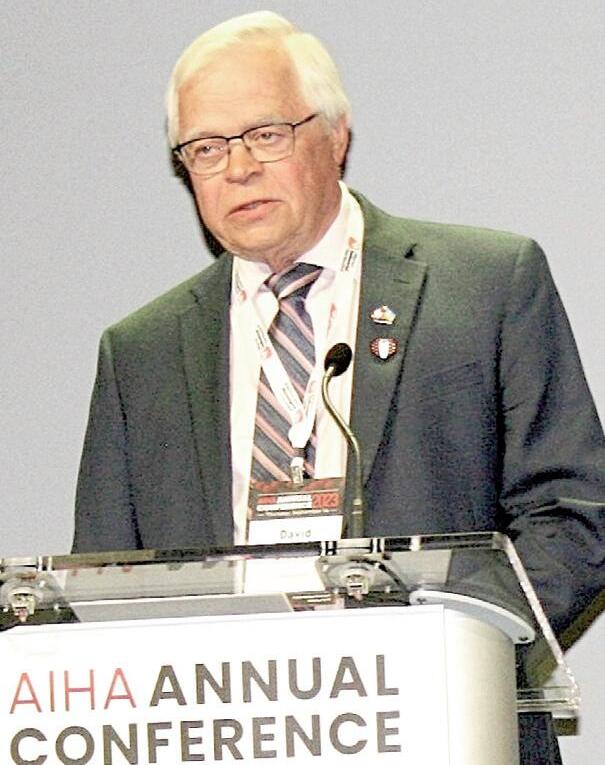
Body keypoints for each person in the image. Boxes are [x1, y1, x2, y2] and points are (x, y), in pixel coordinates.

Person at [73, 12, 604, 763]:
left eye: (265, 134)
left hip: (442, 728)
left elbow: (572, 515)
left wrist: (444, 652)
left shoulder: (484, 286)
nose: (237, 168)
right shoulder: (141, 354)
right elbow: (105, 588)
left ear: (336, 135)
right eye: (206, 148)